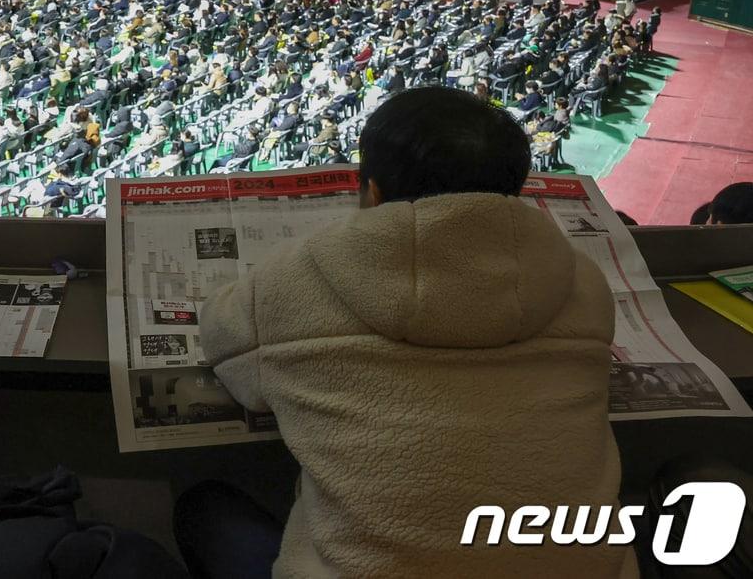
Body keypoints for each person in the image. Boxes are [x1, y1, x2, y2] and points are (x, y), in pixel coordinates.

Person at [180, 87, 630, 578]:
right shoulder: (583, 281)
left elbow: (223, 341)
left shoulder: (293, 279)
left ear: (373, 193)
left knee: (204, 508)